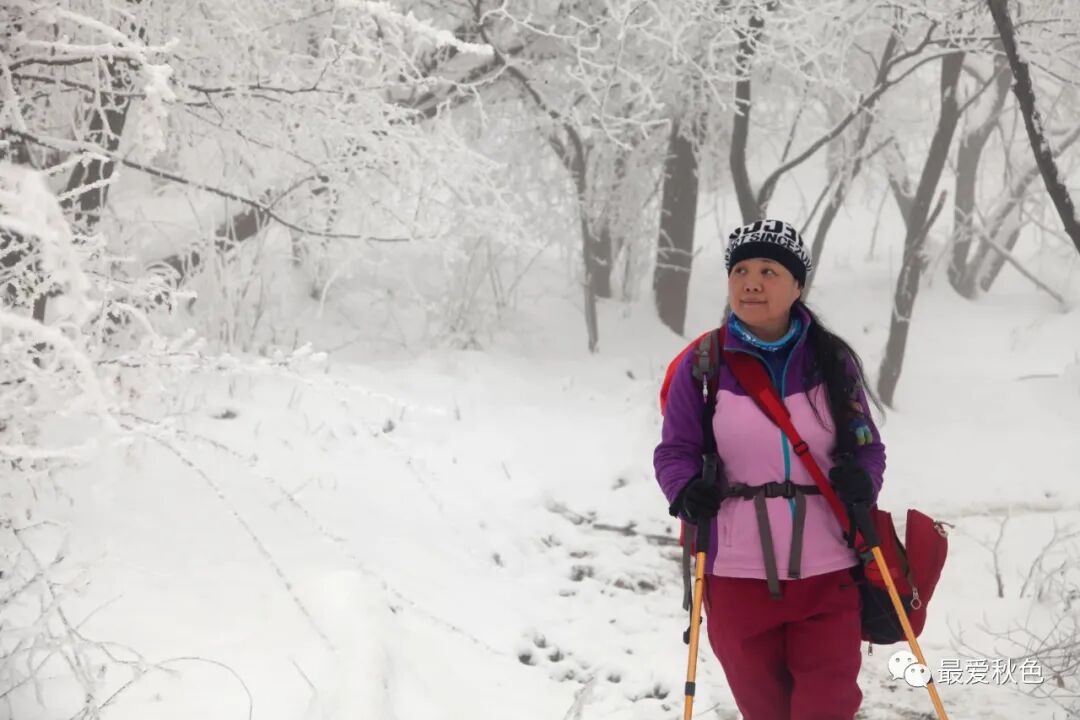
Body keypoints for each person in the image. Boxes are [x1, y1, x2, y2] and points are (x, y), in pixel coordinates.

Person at [653, 218, 886, 720]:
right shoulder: (704, 364)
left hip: (829, 569)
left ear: (798, 285)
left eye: (768, 271)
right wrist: (685, 490)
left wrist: (864, 480)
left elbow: (868, 446)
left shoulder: (831, 361)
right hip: (736, 576)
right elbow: (674, 451)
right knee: (765, 711)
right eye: (740, 271)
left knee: (826, 708)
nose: (751, 283)